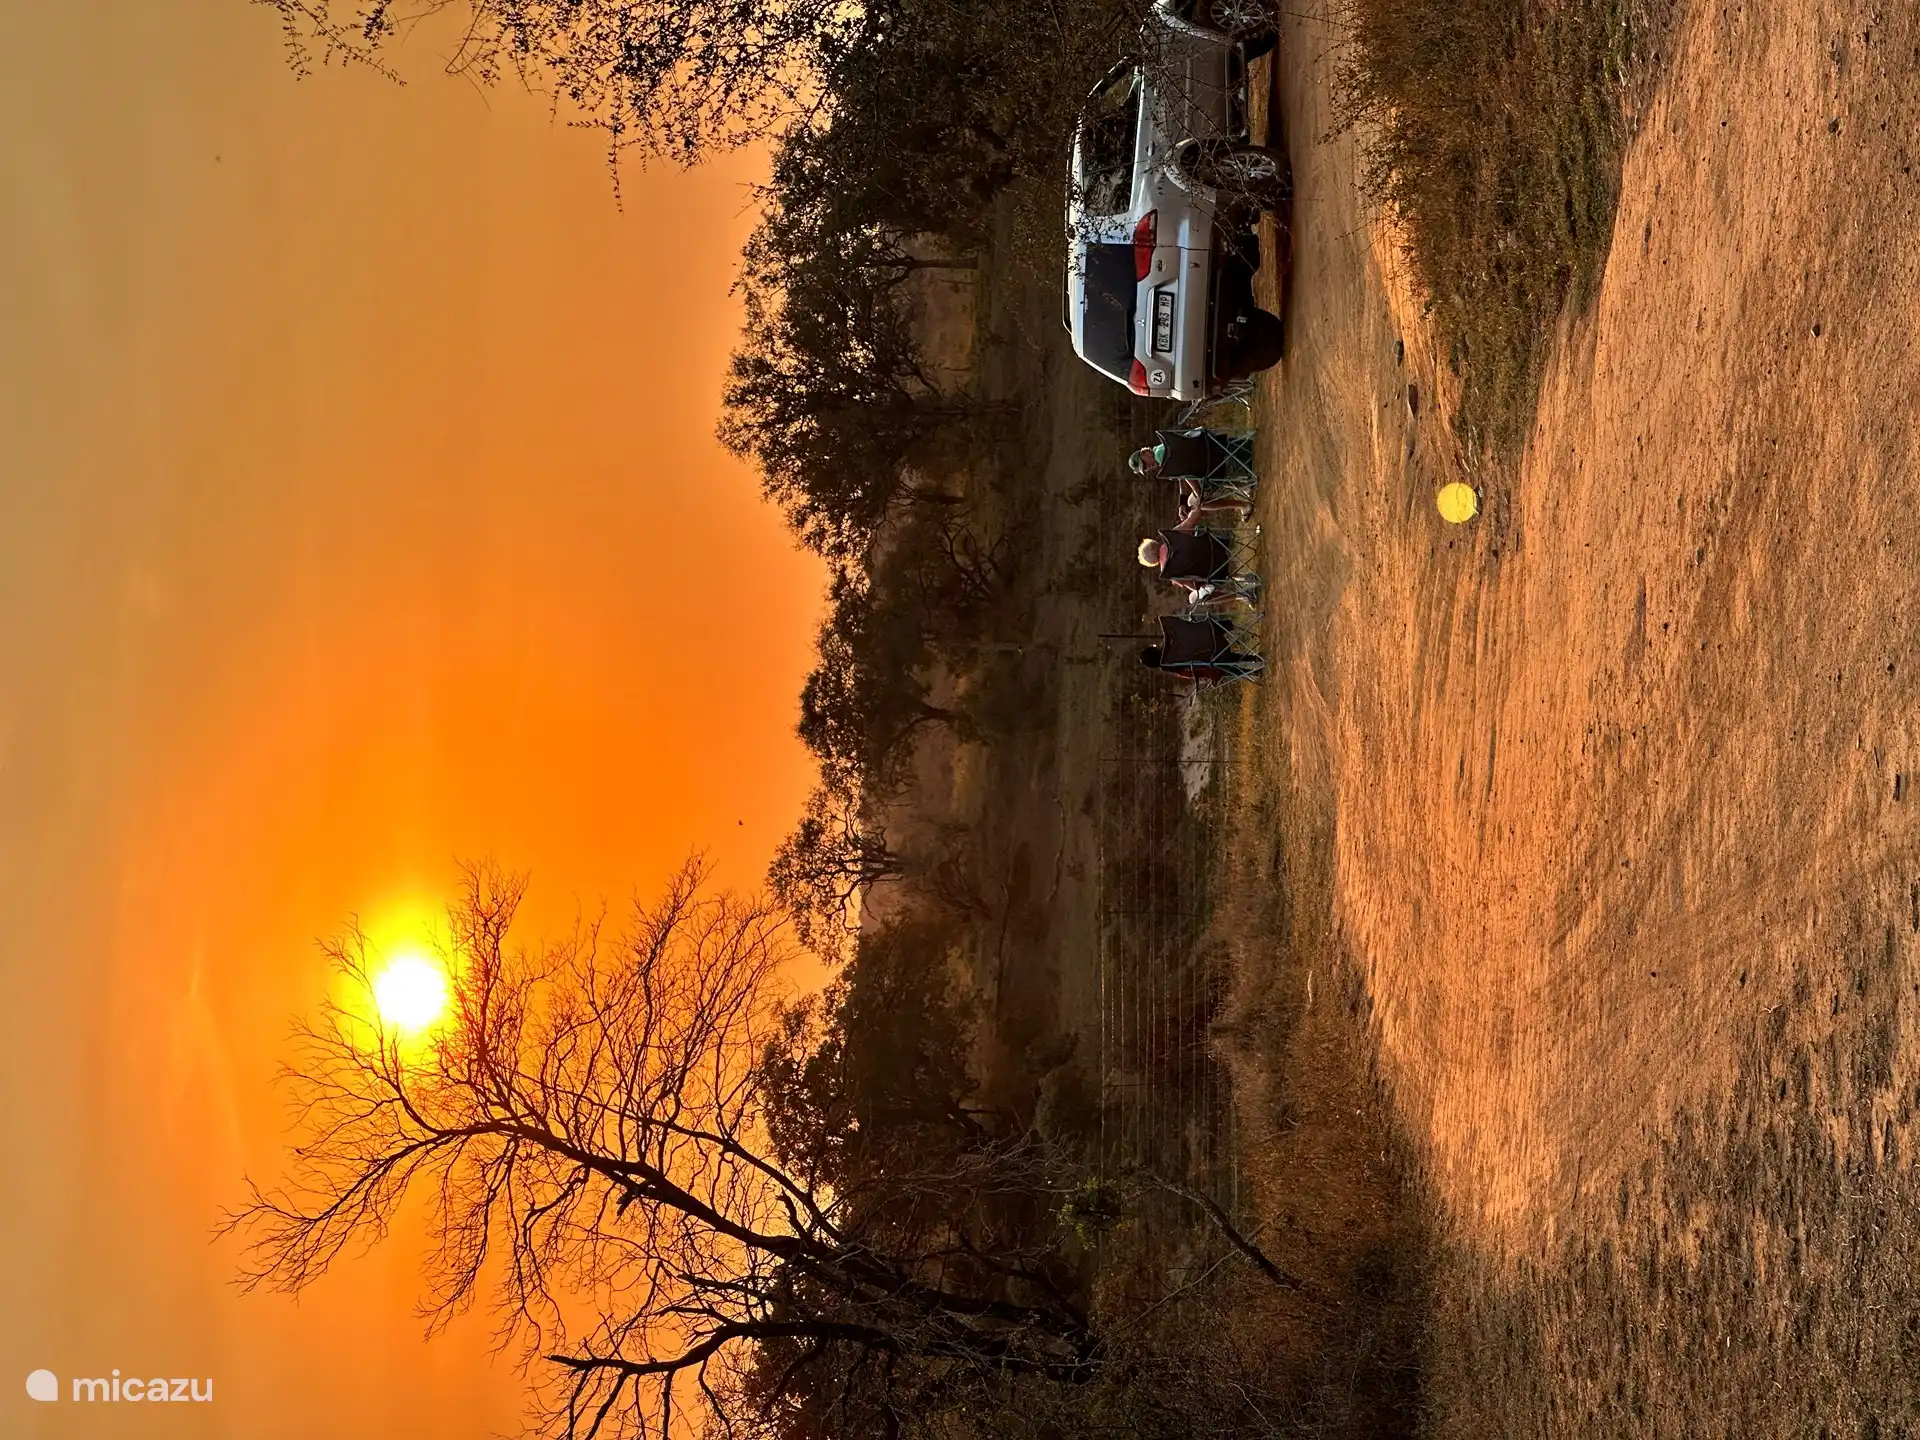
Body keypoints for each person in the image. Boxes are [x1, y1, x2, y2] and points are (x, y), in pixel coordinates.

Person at [1135, 507, 1258, 605]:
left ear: (1154, 563)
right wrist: (1191, 510)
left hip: (1217, 573)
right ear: (1155, 543)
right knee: (1200, 531)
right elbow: (1196, 515)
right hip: (1219, 547)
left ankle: (1243, 595)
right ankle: (1246, 542)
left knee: (1197, 597)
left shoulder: (1170, 574)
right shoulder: (1173, 534)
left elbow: (1195, 586)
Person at [1139, 615, 1264, 684]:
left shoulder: (1172, 664)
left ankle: (1252, 672)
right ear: (1154, 649)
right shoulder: (1172, 635)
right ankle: (1250, 623)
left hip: (1217, 654)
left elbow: (1192, 673)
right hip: (1214, 631)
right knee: (1215, 653)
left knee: (1217, 664)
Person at [1127, 426, 1256, 485]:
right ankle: (1243, 443)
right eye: (1145, 469)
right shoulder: (1164, 445)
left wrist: (1196, 492)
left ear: (1145, 453)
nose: (1148, 467)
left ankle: (1243, 485)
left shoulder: (1162, 458)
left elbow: (1186, 473)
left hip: (1209, 465)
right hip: (1209, 444)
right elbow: (1183, 475)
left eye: (1144, 463)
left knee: (1199, 498)